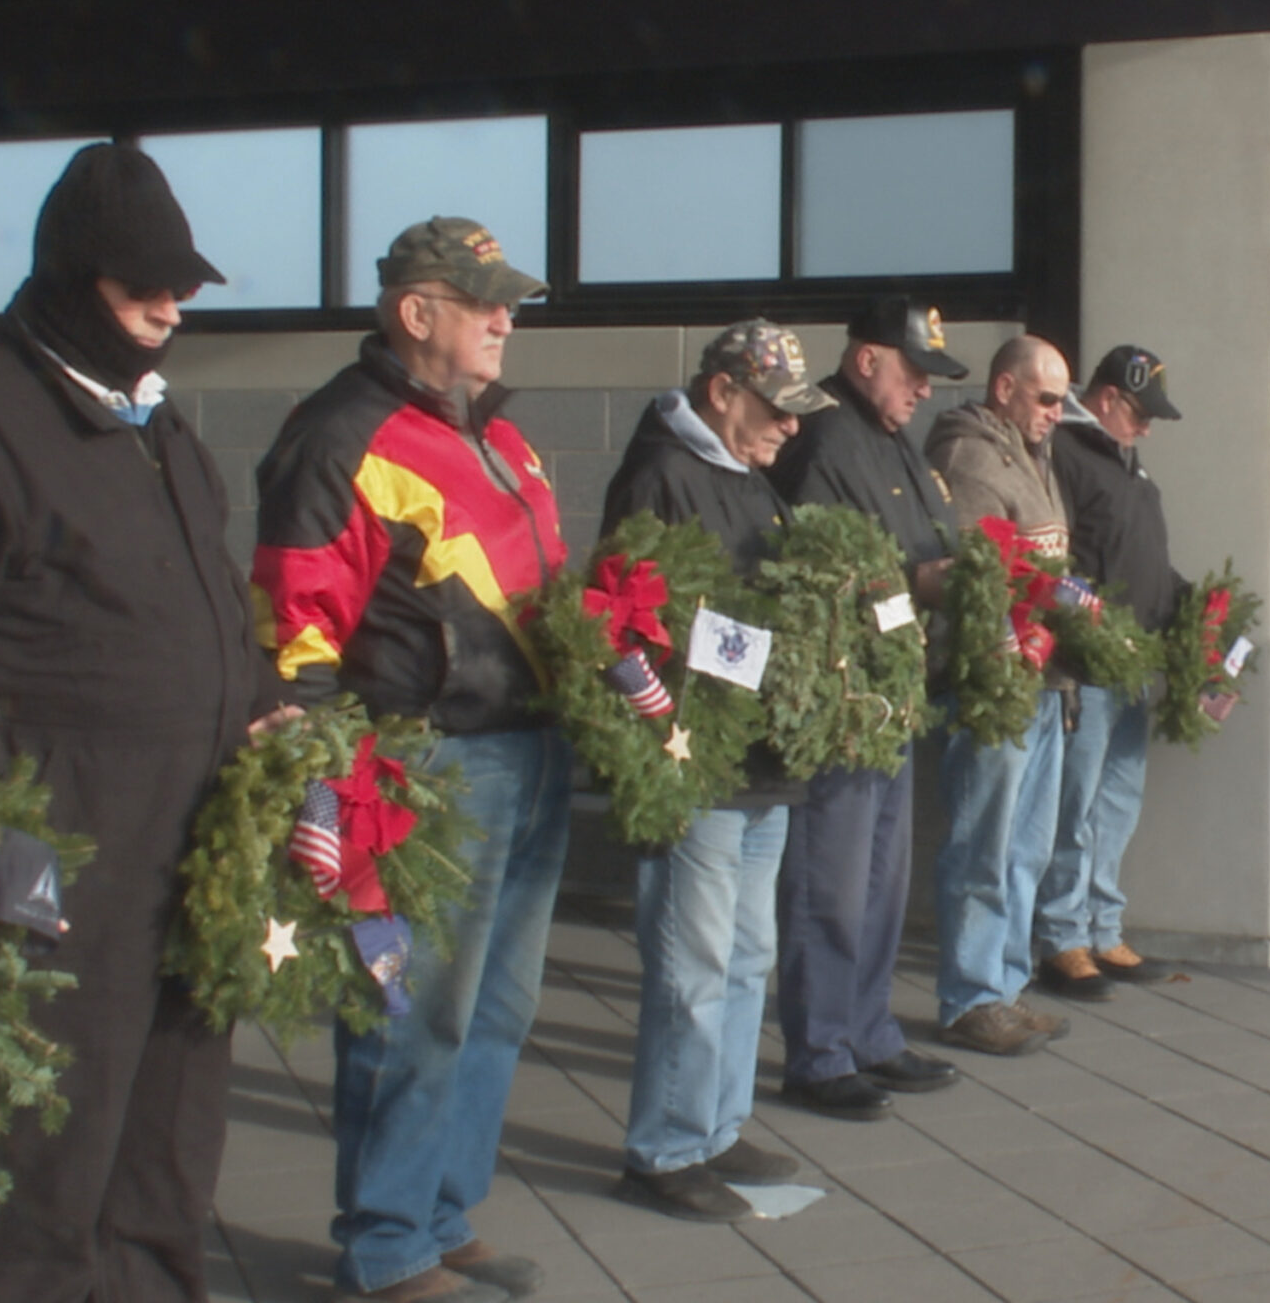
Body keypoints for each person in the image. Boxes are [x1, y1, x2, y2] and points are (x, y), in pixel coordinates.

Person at [0, 143, 285, 1301]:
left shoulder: (154, 424)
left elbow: (210, 602)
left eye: (181, 286)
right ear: (68, 280)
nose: (167, 308)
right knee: (42, 1157)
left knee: (167, 1144)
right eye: (139, 286)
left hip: (193, 838)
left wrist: (259, 711)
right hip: (63, 848)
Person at [251, 217, 569, 1303]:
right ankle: (385, 1246)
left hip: (529, 753)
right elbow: (295, 625)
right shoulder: (341, 433)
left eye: (508, 300)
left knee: (497, 1007)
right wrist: (323, 777)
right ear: (413, 310)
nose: (503, 318)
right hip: (425, 768)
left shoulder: (502, 435)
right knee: (412, 1011)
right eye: (482, 300)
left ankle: (440, 1211)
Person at [601, 321, 829, 1220]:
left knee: (746, 955)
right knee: (692, 961)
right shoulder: (662, 473)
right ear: (723, 390)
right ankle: (664, 1147)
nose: (789, 428)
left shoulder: (752, 479)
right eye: (775, 409)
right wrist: (770, 658)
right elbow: (638, 615)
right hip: (700, 761)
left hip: (763, 763)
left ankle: (717, 1127)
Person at [761, 296, 966, 1121]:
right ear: (866, 358)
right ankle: (819, 1052)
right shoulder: (824, 438)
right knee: (831, 884)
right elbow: (813, 567)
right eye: (914, 370)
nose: (924, 388)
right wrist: (917, 584)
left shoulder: (890, 438)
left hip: (892, 691)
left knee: (882, 881)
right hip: (843, 694)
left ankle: (869, 1033)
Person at [924, 334, 1077, 1055]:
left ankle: (1006, 986)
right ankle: (971, 996)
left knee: (1026, 848)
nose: (1055, 412)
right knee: (984, 845)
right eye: (1045, 397)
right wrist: (1005, 660)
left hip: (1042, 680)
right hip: (994, 683)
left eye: (1061, 400)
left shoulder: (1031, 454)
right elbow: (976, 579)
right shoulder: (971, 454)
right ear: (1005, 387)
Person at [1036, 346, 1188, 998]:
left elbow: (1142, 558)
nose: (1148, 427)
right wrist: (1087, 624)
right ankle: (1061, 938)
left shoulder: (1129, 463)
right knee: (1076, 805)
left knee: (1117, 802)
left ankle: (1102, 926)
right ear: (1105, 400)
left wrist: (1193, 608)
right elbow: (1053, 558)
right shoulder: (1067, 456)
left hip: (1135, 665)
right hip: (1089, 665)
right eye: (1140, 413)